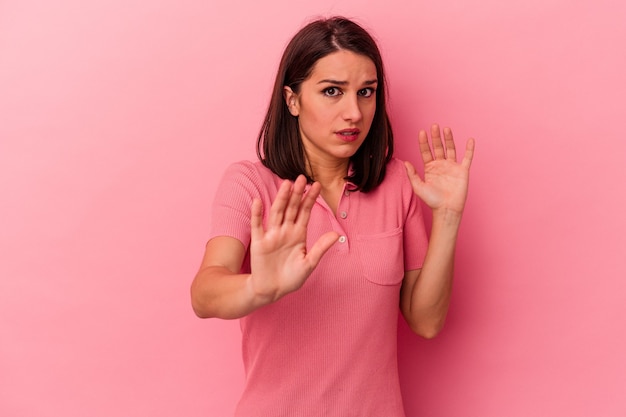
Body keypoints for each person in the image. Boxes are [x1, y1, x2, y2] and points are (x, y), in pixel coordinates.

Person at [191, 16, 474, 417]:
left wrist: (447, 217)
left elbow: (425, 321)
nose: (354, 112)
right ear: (292, 100)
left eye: (366, 92)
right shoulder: (250, 183)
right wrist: (260, 287)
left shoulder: (396, 183)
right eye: (331, 92)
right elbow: (204, 293)